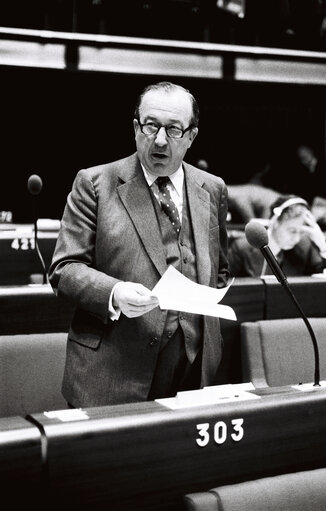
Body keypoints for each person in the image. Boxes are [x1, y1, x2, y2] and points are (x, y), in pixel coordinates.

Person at [49, 81, 230, 408]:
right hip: (114, 369)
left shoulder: (212, 189)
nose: (160, 140)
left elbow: (220, 267)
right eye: (151, 126)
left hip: (194, 369)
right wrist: (115, 293)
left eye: (174, 129)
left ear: (191, 136)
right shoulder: (94, 183)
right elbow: (64, 269)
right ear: (136, 128)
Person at [228, 194, 326, 277]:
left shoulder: (304, 247)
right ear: (275, 222)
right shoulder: (242, 247)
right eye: (292, 231)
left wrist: (323, 246)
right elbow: (226, 286)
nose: (296, 239)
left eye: (301, 232)